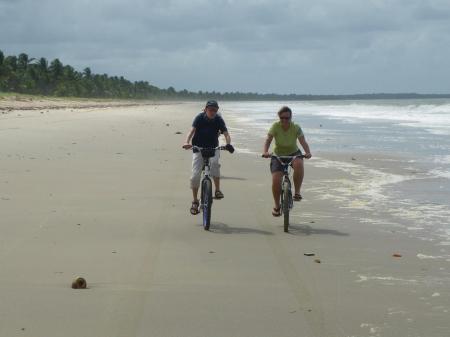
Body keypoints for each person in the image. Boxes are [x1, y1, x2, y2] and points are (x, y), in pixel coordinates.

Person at [182, 100, 234, 215]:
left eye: (215, 110)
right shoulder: (199, 118)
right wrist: (186, 142)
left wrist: (228, 144)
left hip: (213, 148)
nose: (212, 112)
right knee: (195, 176)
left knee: (215, 164)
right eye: (210, 109)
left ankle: (217, 190)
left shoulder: (218, 119)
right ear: (205, 109)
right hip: (198, 148)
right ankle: (195, 201)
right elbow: (191, 131)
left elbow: (226, 134)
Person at [262, 106, 311, 217]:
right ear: (279, 118)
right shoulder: (275, 126)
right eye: (282, 118)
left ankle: (297, 192)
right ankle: (276, 206)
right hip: (278, 155)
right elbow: (268, 140)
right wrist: (265, 151)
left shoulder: (296, 127)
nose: (284, 120)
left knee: (299, 163)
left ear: (290, 117)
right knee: (276, 180)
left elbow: (303, 141)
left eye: (287, 118)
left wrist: (308, 152)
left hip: (293, 153)